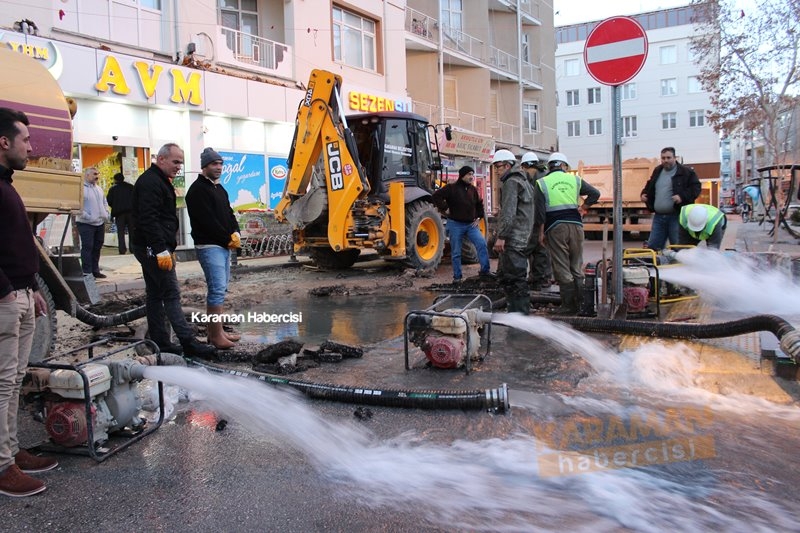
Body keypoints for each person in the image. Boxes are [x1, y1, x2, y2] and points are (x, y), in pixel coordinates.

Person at [0, 107, 58, 498]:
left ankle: (9, 451)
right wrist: (5, 289)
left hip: (21, 295)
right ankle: (2, 467)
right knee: (2, 384)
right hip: (4, 299)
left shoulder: (6, 183)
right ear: (4, 142)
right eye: (25, 140)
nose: (31, 147)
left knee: (13, 381)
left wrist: (31, 287)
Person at [130, 143, 216, 358]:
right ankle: (188, 343)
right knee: (171, 294)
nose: (179, 167)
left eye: (181, 162)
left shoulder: (158, 181)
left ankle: (160, 342)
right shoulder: (151, 183)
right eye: (176, 161)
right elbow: (149, 219)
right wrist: (160, 250)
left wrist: (165, 247)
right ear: (161, 159)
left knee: (155, 294)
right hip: (152, 247)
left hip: (152, 246)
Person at [185, 148, 242, 349]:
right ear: (204, 166)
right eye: (213, 164)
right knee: (216, 289)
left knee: (221, 288)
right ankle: (216, 336)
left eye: (220, 164)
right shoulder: (197, 190)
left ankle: (215, 333)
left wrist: (236, 232)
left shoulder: (219, 189)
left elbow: (229, 213)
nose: (218, 168)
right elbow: (207, 221)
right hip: (209, 245)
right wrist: (227, 238)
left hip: (222, 244)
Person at [534, 152, 600, 315]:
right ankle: (582, 304)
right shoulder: (575, 179)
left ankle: (569, 306)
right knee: (576, 266)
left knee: (562, 266)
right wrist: (584, 207)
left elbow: (540, 213)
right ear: (564, 166)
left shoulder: (542, 183)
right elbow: (595, 194)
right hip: (576, 226)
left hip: (555, 228)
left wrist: (540, 233)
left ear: (550, 166)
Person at [491, 149, 535, 314]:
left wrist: (501, 236)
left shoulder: (511, 182)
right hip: (524, 235)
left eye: (499, 166)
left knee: (515, 278)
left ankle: (518, 314)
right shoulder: (523, 180)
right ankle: (520, 311)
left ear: (508, 165)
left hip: (514, 237)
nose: (497, 171)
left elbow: (509, 213)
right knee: (518, 276)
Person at [432, 165, 492, 283]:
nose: (471, 177)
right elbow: (436, 196)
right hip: (455, 224)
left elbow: (479, 204)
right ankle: (457, 277)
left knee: (482, 244)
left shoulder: (473, 190)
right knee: (456, 252)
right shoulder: (451, 188)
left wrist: (479, 217)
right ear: (462, 175)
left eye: (472, 174)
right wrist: (445, 208)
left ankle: (485, 272)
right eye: (469, 174)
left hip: (471, 225)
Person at [640, 147, 701, 250]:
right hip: (659, 217)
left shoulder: (686, 172)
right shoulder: (658, 170)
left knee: (678, 247)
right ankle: (657, 265)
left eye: (668, 157)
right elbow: (650, 185)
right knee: (653, 247)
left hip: (676, 216)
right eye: (663, 158)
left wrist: (682, 197)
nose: (665, 160)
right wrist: (644, 194)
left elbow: (696, 188)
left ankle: (679, 265)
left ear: (674, 157)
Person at [520, 152, 553, 291]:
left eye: (524, 169)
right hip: (548, 219)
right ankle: (541, 278)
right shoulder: (544, 176)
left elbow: (536, 203)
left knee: (533, 248)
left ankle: (538, 278)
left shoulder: (537, 180)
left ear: (527, 166)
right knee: (541, 250)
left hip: (538, 220)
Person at [76, 167, 110, 278]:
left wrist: (106, 213)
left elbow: (104, 202)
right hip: (86, 224)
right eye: (94, 174)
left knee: (97, 247)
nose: (97, 176)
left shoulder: (99, 189)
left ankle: (95, 270)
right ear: (87, 175)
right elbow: (78, 206)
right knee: (88, 247)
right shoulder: (81, 189)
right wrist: (88, 217)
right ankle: (87, 271)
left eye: (98, 174)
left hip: (99, 223)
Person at [106, 172, 134, 255]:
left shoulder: (113, 189)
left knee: (120, 232)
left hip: (119, 214)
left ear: (115, 180)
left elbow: (109, 201)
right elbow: (136, 198)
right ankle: (132, 248)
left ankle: (122, 249)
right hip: (131, 213)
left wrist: (115, 206)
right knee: (132, 231)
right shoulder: (131, 187)